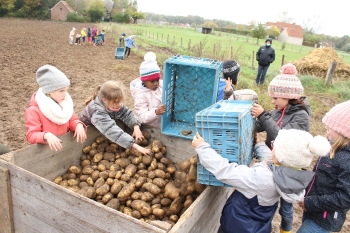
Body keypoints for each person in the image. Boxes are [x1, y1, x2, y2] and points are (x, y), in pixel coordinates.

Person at [192, 129, 331, 233]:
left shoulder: (261, 177)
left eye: (275, 146)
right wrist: (258, 145)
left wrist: (202, 148)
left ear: (280, 155)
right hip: (258, 226)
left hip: (237, 226)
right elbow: (269, 159)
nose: (272, 146)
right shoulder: (290, 175)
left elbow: (226, 171)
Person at [251, 63, 311, 233]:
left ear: (288, 97)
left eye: (275, 98)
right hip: (274, 161)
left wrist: (263, 115)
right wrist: (252, 119)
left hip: (290, 169)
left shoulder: (301, 117)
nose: (272, 101)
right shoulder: (278, 111)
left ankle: (285, 230)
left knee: (285, 208)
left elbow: (282, 137)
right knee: (267, 198)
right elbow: (263, 126)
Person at [297, 100, 350, 233]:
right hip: (312, 209)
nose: (326, 130)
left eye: (330, 128)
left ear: (344, 132)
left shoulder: (347, 159)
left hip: (324, 218)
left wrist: (310, 203)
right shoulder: (332, 148)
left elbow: (344, 198)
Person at [25, 65, 87, 151]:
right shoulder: (34, 110)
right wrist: (46, 135)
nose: (65, 94)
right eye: (61, 91)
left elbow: (72, 120)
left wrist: (78, 125)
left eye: (66, 90)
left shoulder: (65, 104)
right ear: (49, 91)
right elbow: (31, 135)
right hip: (46, 151)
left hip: (62, 146)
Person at [79, 81, 150, 155]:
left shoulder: (112, 103)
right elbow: (111, 130)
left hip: (102, 129)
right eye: (116, 102)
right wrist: (135, 146)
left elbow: (126, 113)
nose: (119, 104)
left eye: (120, 101)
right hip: (85, 132)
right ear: (104, 100)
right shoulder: (97, 112)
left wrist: (136, 126)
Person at [130, 52, 165, 128]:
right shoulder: (140, 95)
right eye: (152, 81)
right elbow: (142, 117)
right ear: (144, 81)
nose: (156, 83)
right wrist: (155, 112)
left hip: (165, 124)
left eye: (157, 80)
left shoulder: (162, 85)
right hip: (152, 127)